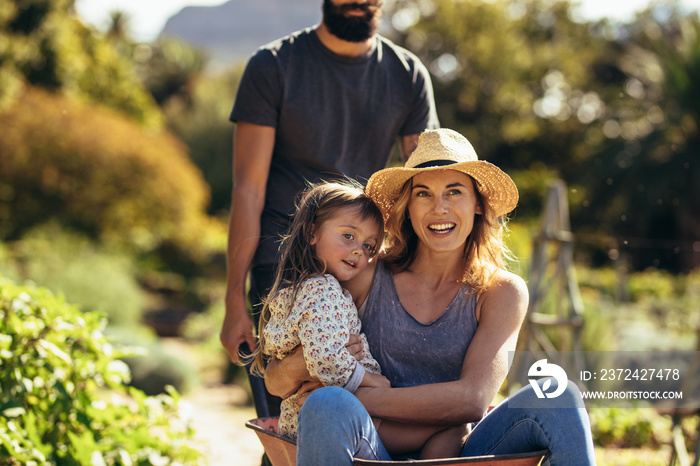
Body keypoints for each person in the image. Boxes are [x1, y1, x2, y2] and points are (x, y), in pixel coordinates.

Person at [265, 128, 596, 464]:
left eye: (454, 192)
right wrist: (307, 361)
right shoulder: (365, 275)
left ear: (478, 204)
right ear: (408, 207)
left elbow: (473, 400)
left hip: (459, 453)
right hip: (375, 449)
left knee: (559, 396)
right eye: (423, 194)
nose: (439, 208)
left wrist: (355, 393)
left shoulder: (501, 292)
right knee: (325, 405)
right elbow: (276, 382)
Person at [221, 0, 439, 418]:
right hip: (282, 267)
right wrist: (234, 300)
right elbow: (248, 190)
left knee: (362, 421)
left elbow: (424, 184)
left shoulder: (407, 74)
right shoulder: (273, 66)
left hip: (366, 270)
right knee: (283, 424)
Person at [250, 181, 469, 459]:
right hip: (338, 414)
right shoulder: (322, 290)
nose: (358, 251)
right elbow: (326, 358)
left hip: (330, 411)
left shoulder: (309, 289)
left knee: (448, 429)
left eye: (368, 246)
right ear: (312, 232)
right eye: (348, 236)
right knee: (450, 429)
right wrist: (372, 381)